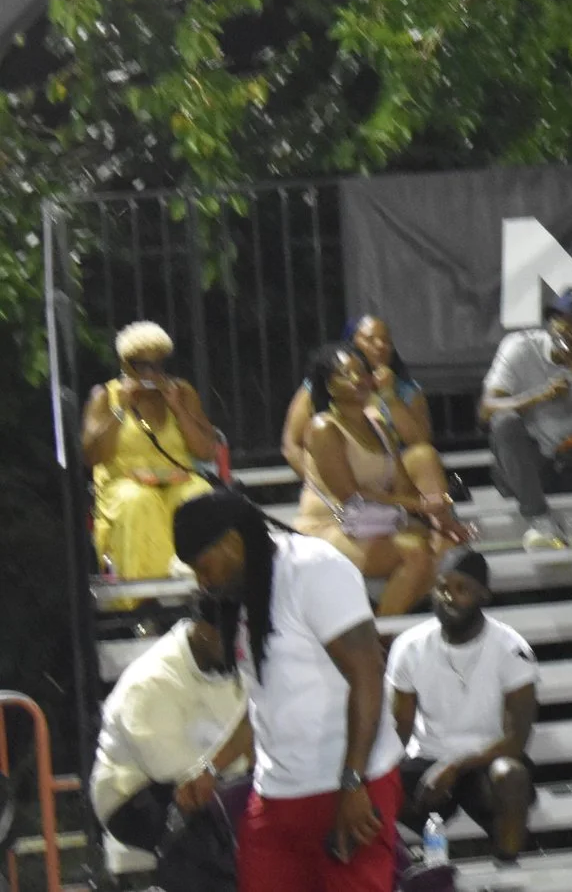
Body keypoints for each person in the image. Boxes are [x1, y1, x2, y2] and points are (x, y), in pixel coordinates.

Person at [172, 488, 402, 892]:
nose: (202, 582)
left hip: (344, 787)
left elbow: (367, 673)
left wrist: (353, 782)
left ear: (233, 542)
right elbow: (267, 699)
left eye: (204, 567)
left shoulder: (312, 569)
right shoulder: (246, 592)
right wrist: (212, 768)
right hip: (277, 795)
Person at [387, 550, 538, 863]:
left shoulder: (511, 648)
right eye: (442, 587)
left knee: (511, 775)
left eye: (461, 589)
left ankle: (507, 863)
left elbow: (517, 739)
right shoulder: (409, 646)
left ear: (483, 595)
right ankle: (428, 859)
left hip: (487, 759)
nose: (448, 597)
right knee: (379, 783)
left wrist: (454, 766)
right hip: (428, 758)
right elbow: (399, 728)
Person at [89, 600, 249, 876]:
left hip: (208, 778)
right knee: (215, 837)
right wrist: (241, 761)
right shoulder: (151, 679)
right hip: (133, 795)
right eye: (235, 640)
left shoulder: (222, 662)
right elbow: (169, 768)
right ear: (207, 631)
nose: (241, 650)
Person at [284, 315, 464, 545]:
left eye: (386, 340)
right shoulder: (322, 387)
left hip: (385, 471)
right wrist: (324, 480)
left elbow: (419, 439)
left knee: (424, 456)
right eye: (370, 339)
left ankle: (443, 529)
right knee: (410, 547)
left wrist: (389, 395)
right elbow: (291, 444)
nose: (380, 345)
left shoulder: (404, 388)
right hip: (344, 480)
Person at [294, 343, 441, 616]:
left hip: (371, 522)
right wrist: (419, 505)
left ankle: (381, 625)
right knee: (416, 554)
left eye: (361, 372)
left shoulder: (379, 426)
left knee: (442, 550)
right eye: (345, 374)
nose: (358, 379)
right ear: (329, 387)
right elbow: (351, 496)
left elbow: (404, 488)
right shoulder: (323, 427)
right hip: (330, 527)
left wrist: (437, 508)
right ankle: (380, 636)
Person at [480, 286, 572, 550]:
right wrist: (538, 396)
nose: (565, 329)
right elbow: (486, 410)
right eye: (560, 319)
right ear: (550, 321)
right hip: (528, 465)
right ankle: (540, 522)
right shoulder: (521, 347)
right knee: (505, 423)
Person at [84, 321, 220, 581]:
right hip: (123, 484)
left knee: (199, 496)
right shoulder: (105, 396)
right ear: (126, 365)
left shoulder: (181, 392)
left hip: (176, 480)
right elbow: (92, 456)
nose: (150, 373)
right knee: (138, 501)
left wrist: (178, 409)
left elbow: (206, 451)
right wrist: (121, 410)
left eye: (157, 366)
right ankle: (144, 589)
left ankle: (200, 580)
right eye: (142, 366)